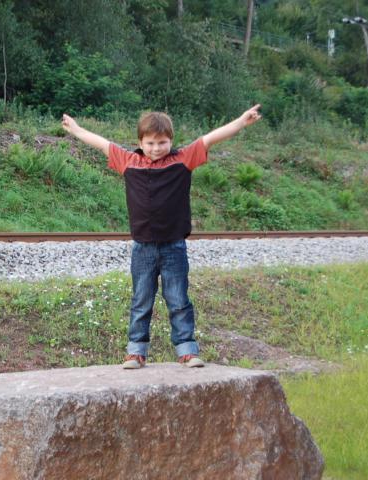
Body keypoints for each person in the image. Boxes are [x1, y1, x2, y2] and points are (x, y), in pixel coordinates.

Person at [61, 105, 262, 369]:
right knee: (141, 300)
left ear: (171, 141)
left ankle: (187, 350)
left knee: (178, 300)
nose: (156, 148)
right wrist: (76, 130)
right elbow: (101, 143)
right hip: (143, 247)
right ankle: (136, 352)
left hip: (174, 246)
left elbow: (211, 138)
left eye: (162, 142)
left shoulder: (183, 160)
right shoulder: (129, 161)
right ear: (140, 143)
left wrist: (241, 121)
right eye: (150, 143)